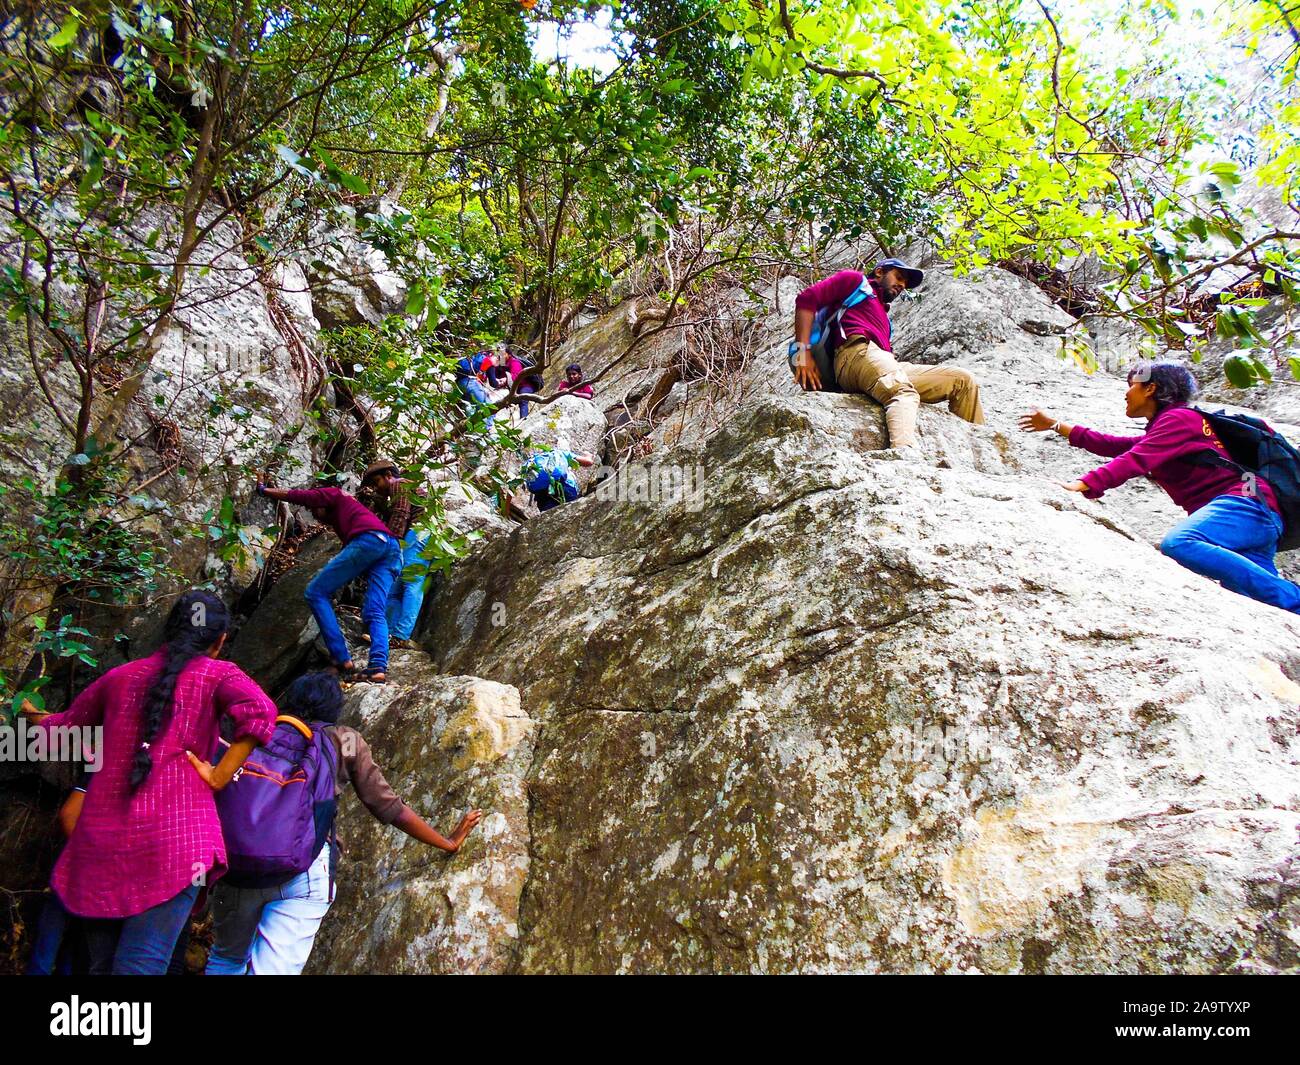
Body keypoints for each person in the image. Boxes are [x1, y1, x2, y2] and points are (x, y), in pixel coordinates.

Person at [20, 591, 277, 975]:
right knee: (141, 965)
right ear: (220, 639)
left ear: (168, 630)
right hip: (179, 847)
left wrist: (27, 712)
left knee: (104, 967)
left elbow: (62, 730)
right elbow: (260, 711)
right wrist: (219, 776)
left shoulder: (120, 678)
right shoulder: (217, 674)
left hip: (102, 847)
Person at [204, 672, 482, 975]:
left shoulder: (256, 730)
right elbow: (388, 806)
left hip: (236, 866)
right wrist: (447, 841)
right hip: (304, 871)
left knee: (227, 958)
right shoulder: (344, 739)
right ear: (335, 708)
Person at [1020, 360, 1300, 614]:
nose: (1126, 393)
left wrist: (1083, 485)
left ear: (1151, 388)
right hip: (1258, 518)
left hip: (1246, 505)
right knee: (1258, 603)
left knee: (1181, 543)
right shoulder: (1171, 428)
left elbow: (1135, 459)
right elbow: (1116, 446)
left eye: (1132, 386)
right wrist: (1056, 425)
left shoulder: (1179, 419)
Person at [791, 258, 984, 451]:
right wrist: (802, 353)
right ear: (879, 272)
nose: (901, 285)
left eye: (905, 284)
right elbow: (806, 299)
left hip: (881, 361)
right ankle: (903, 455)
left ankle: (979, 452)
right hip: (855, 352)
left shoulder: (883, 314)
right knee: (903, 393)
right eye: (898, 277)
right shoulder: (854, 281)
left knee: (963, 381)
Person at [257, 462, 404, 683]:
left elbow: (299, 496)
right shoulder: (349, 515)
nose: (315, 515)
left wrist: (265, 490)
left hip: (371, 541)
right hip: (391, 548)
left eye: (315, 510)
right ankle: (377, 667)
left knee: (315, 592)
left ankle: (340, 657)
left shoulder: (334, 494)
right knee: (374, 611)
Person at [359, 459, 430, 648]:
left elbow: (400, 513)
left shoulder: (400, 484)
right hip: (412, 535)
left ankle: (401, 635)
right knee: (394, 589)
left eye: (377, 482)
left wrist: (389, 544)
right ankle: (387, 633)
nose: (376, 488)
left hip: (419, 531)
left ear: (389, 476)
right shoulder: (398, 489)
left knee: (410, 583)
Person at [524, 446, 595, 512]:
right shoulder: (561, 453)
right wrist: (588, 455)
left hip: (543, 498)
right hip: (567, 491)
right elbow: (588, 462)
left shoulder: (534, 464)